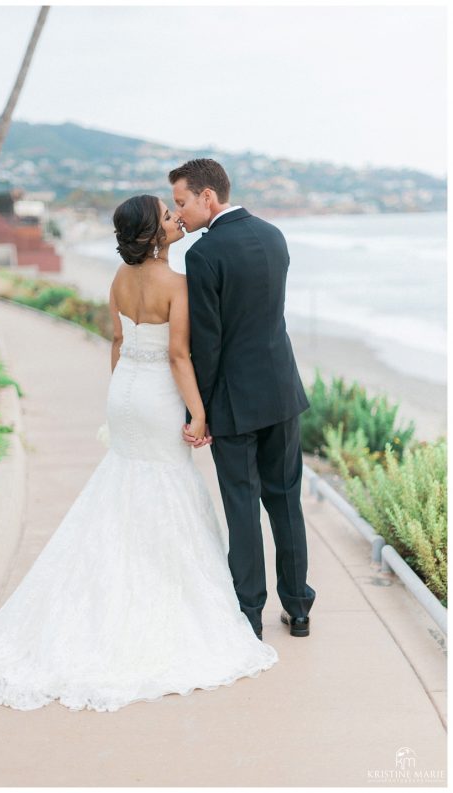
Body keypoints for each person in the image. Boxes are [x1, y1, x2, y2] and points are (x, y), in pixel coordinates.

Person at [0, 194, 278, 714]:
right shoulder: (177, 284)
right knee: (165, 486)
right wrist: (197, 413)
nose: (176, 219)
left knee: (123, 484)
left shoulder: (119, 280)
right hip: (157, 396)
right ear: (153, 234)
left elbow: (116, 341)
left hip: (124, 391)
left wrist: (119, 397)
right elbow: (177, 355)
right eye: (167, 216)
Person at [169, 159, 316, 640]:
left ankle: (249, 615)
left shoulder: (203, 255)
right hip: (282, 390)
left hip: (235, 400)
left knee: (242, 507)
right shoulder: (275, 236)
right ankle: (298, 608)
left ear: (208, 196)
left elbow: (206, 343)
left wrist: (200, 409)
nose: (181, 214)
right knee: (286, 501)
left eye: (182, 202)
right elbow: (270, 316)